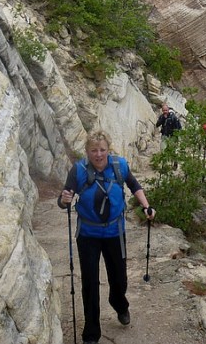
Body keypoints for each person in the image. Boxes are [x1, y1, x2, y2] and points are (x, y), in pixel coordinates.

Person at [58, 130, 155, 344]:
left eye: (102, 149)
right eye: (94, 150)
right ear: (87, 151)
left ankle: (119, 303)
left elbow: (134, 185)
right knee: (90, 283)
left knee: (119, 278)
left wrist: (147, 206)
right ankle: (91, 334)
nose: (99, 154)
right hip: (88, 235)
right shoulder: (78, 170)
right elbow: (64, 198)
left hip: (114, 232)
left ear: (108, 150)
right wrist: (64, 199)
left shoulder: (119, 166)